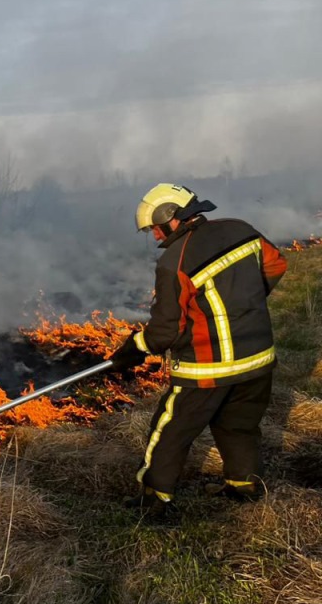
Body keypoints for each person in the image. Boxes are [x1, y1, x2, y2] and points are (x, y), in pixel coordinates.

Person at [110, 183, 288, 519]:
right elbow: (276, 264)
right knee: (239, 425)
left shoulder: (175, 261)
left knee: (170, 431)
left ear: (172, 217)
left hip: (207, 369)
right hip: (258, 360)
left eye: (155, 228)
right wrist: (244, 302)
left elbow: (165, 331)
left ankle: (155, 499)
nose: (155, 236)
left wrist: (135, 347)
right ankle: (243, 487)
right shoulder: (241, 229)